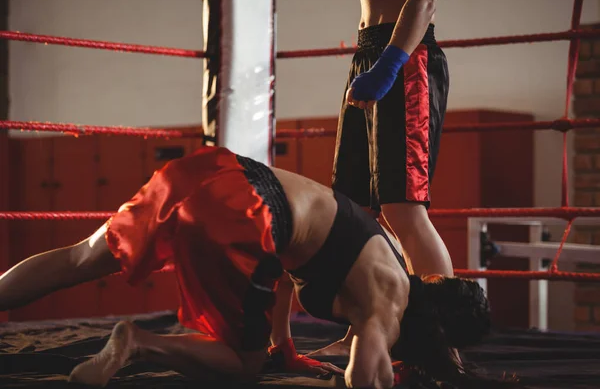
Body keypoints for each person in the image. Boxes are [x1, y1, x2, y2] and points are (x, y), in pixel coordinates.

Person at [0, 146, 493, 388]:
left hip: (214, 171)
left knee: (79, 258)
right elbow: (360, 381)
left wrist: (286, 346)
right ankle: (139, 343)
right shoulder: (390, 304)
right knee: (243, 368)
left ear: (435, 282)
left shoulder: (383, 249)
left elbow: (278, 276)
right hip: (248, 212)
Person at [328, 0, 452, 356]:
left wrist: (388, 65)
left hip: (404, 60)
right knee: (354, 210)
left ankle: (441, 344)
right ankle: (363, 334)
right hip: (369, 56)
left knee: (405, 210)